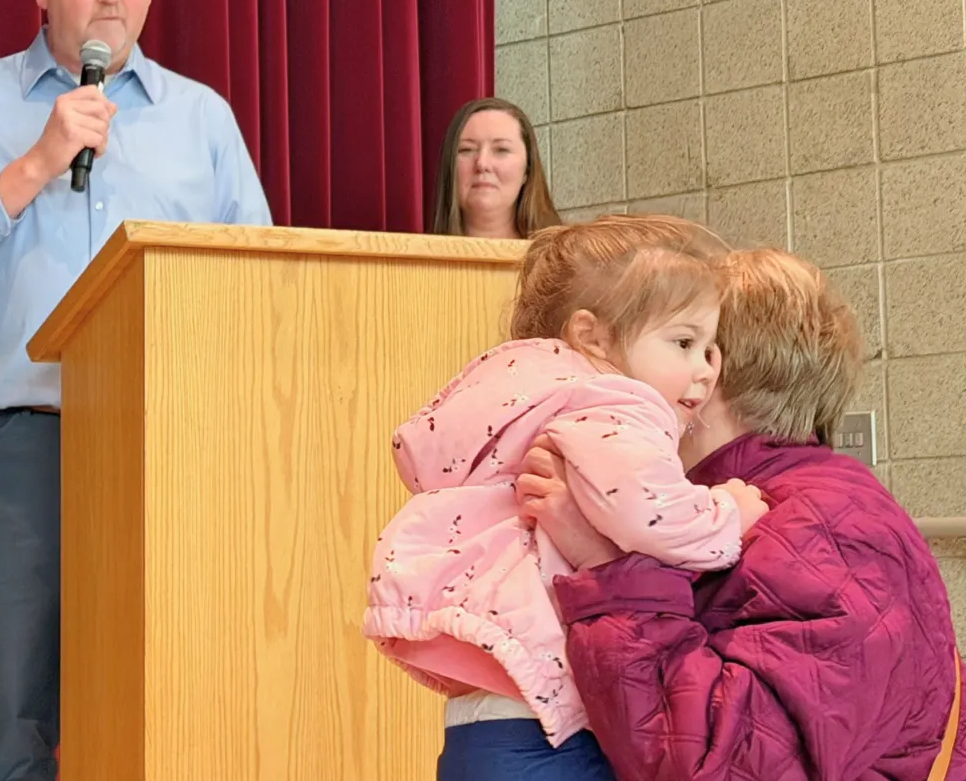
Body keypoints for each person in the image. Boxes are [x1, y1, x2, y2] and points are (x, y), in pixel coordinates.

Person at [0, 0, 271, 779]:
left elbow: (256, 285)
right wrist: (35, 164)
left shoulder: (201, 119)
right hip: (16, 449)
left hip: (170, 446)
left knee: (172, 688)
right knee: (15, 705)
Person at [517, 247, 964, 780]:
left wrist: (604, 571)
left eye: (682, 343)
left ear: (708, 374)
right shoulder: (761, 508)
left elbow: (724, 767)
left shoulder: (823, 527)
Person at [363, 214, 768, 780]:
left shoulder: (515, 390)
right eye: (683, 342)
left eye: (709, 349)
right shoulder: (619, 403)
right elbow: (649, 515)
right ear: (593, 336)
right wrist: (728, 513)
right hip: (552, 716)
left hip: (486, 707)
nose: (703, 372)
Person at [428, 97, 560, 239]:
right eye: (467, 149)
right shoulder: (415, 257)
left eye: (501, 150)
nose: (482, 164)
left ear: (527, 170)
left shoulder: (569, 259)